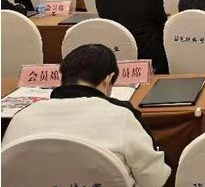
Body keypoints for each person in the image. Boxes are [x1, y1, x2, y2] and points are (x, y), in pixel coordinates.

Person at [2, 44, 171, 186]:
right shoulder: (121, 117)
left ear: (62, 77)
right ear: (108, 80)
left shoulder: (22, 117)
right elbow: (155, 179)